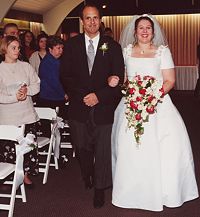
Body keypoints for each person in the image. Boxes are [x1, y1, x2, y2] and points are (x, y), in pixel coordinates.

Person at [109, 14, 199, 211]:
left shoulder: (162, 51)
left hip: (158, 104)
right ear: (135, 31)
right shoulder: (126, 51)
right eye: (140, 27)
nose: (144, 31)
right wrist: (120, 84)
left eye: (148, 28)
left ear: (153, 31)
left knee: (165, 148)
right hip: (131, 103)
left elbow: (169, 80)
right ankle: (132, 191)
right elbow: (124, 78)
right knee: (128, 147)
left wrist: (150, 97)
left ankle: (164, 191)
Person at [60, 3, 124, 209]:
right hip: (79, 107)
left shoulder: (111, 45)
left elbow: (118, 78)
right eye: (88, 18)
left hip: (104, 107)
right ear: (82, 21)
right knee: (82, 148)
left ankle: (100, 188)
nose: (92, 22)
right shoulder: (71, 45)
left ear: (100, 20)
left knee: (103, 150)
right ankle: (87, 172)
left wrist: (98, 96)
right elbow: (65, 76)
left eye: (95, 18)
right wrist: (85, 96)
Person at [0, 35, 40, 186]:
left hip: (27, 114)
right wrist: (14, 97)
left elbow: (37, 85)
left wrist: (26, 90)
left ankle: (25, 175)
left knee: (28, 148)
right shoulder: (0, 69)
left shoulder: (26, 66)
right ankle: (11, 176)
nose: (17, 50)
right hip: (8, 118)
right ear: (5, 49)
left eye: (18, 47)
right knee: (10, 151)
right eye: (13, 48)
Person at [38, 35, 67, 118]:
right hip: (50, 98)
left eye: (62, 48)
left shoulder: (55, 60)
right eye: (58, 48)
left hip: (54, 97)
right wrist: (64, 94)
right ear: (50, 49)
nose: (61, 50)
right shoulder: (49, 62)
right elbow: (54, 82)